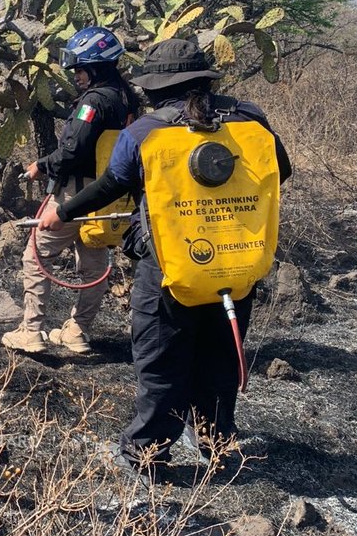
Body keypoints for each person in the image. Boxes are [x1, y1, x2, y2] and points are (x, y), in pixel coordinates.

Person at [37, 38, 292, 475]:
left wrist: (62, 212)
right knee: (220, 360)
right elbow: (281, 170)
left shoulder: (146, 131)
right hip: (235, 261)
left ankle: (147, 453)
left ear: (154, 87)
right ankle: (216, 443)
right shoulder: (250, 117)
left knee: (160, 361)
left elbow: (111, 184)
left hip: (169, 266)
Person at [2, 25, 139, 355]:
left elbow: (72, 150)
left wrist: (41, 165)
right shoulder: (127, 98)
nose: (76, 75)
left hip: (75, 194)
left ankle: (31, 331)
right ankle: (78, 331)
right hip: (109, 197)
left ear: (94, 67)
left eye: (79, 69)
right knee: (94, 263)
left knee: (36, 255)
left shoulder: (93, 102)